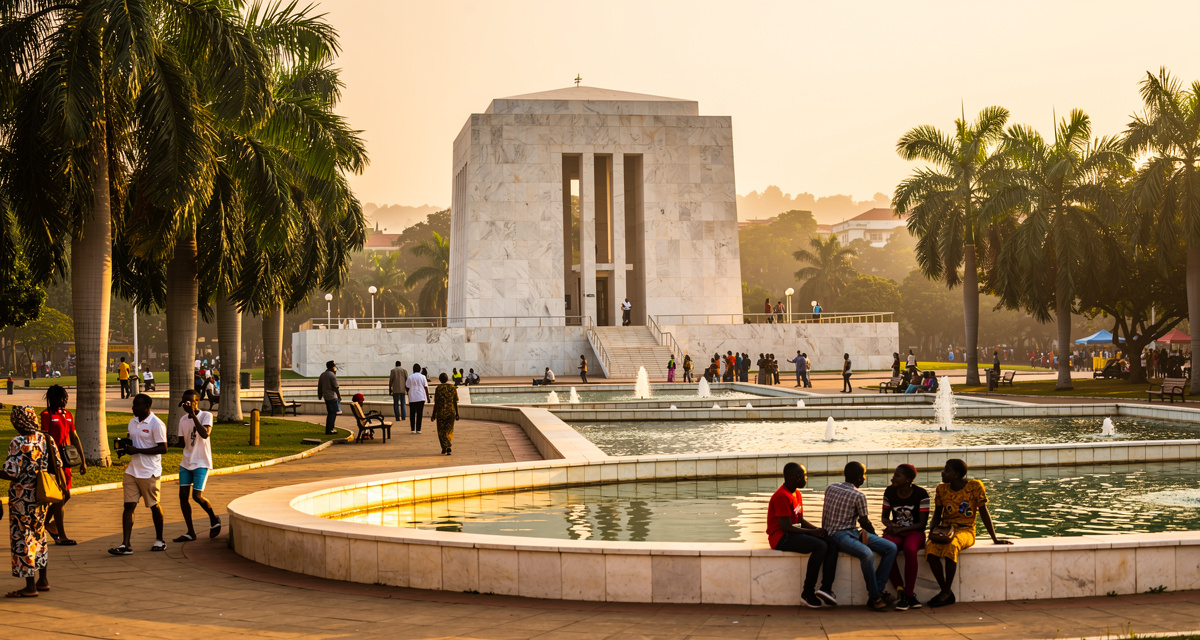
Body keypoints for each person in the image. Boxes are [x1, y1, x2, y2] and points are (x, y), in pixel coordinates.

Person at [925, 458, 1011, 607]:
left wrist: (994, 538)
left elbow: (984, 512)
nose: (942, 473)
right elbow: (937, 514)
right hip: (946, 528)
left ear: (957, 474)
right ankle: (946, 591)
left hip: (966, 529)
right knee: (931, 549)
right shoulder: (941, 489)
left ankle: (945, 593)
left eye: (947, 470)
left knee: (952, 546)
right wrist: (931, 533)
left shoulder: (975, 486)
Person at [822, 462, 898, 610]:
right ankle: (875, 597)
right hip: (839, 535)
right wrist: (876, 536)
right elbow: (864, 522)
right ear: (858, 479)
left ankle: (878, 589)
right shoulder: (858, 495)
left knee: (890, 548)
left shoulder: (830, 487)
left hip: (845, 532)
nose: (864, 478)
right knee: (869, 553)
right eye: (864, 475)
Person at [4, 406, 62, 597]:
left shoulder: (18, 441)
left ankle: (30, 586)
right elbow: (58, 464)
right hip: (41, 495)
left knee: (23, 538)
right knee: (40, 535)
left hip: (22, 498)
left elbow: (11, 472)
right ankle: (43, 580)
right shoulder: (45, 437)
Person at [767, 463, 838, 609]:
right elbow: (786, 527)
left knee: (830, 542)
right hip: (780, 538)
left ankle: (826, 588)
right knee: (820, 546)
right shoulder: (782, 496)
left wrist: (818, 530)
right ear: (795, 477)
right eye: (804, 475)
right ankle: (807, 593)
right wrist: (813, 533)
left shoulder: (796, 493)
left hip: (792, 533)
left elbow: (800, 520)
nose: (806, 478)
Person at [109, 394, 168, 555]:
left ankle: (160, 540)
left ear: (147, 406)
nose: (132, 408)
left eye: (136, 405)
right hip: (132, 470)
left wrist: (138, 450)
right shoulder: (132, 422)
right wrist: (125, 448)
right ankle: (125, 544)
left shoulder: (157, 424)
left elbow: (163, 448)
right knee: (129, 505)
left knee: (154, 505)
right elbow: (133, 441)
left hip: (149, 471)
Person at [172, 390, 221, 543]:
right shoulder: (182, 420)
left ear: (197, 402)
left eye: (190, 402)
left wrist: (193, 415)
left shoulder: (206, 416)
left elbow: (205, 434)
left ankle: (214, 518)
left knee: (197, 496)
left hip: (201, 462)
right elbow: (182, 443)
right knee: (183, 497)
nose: (186, 404)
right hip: (186, 462)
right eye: (184, 402)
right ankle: (190, 532)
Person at [40, 386, 86, 546]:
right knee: (60, 497)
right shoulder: (46, 415)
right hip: (53, 463)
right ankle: (61, 535)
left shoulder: (67, 415)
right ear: (53, 398)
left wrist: (83, 460)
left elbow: (74, 436)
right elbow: (44, 439)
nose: (65, 400)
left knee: (66, 496)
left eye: (65, 397)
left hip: (66, 461)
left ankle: (43, 524)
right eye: (62, 397)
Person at [881, 464, 929, 611]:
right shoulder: (890, 491)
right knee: (888, 548)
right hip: (896, 532)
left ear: (908, 479)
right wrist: (890, 524)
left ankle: (909, 594)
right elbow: (884, 517)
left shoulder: (921, 494)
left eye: (897, 476)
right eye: (894, 475)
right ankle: (900, 589)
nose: (893, 478)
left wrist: (901, 529)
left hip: (914, 532)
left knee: (910, 549)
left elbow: (922, 524)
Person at [432, 372, 460, 455]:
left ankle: (444, 447)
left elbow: (436, 403)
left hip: (441, 413)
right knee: (449, 430)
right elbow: (455, 401)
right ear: (447, 379)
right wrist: (457, 413)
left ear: (440, 380)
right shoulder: (452, 388)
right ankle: (448, 446)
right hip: (450, 412)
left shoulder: (438, 388)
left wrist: (433, 414)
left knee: (441, 431)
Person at [316, 360, 341, 436]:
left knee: (330, 413)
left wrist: (320, 395)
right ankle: (330, 429)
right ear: (333, 367)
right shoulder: (332, 375)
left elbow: (319, 387)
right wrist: (339, 396)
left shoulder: (323, 375)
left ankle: (329, 428)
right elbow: (336, 387)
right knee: (332, 413)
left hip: (326, 396)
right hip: (332, 397)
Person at [405, 363, 429, 434]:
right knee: (419, 413)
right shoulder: (423, 377)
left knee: (412, 414)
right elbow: (425, 387)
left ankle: (413, 429)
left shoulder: (410, 377)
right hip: (421, 397)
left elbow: (407, 387)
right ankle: (418, 429)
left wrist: (408, 393)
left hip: (412, 397)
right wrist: (428, 397)